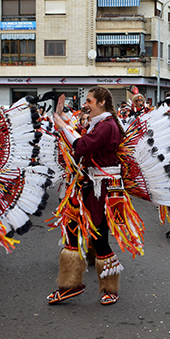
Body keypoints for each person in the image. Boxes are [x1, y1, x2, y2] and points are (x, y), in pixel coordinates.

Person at [48, 87, 128, 306]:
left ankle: (110, 288)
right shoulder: (99, 124)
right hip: (86, 185)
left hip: (102, 188)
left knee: (99, 238)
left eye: (90, 100)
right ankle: (69, 285)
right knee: (72, 231)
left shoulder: (107, 125)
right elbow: (79, 143)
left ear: (101, 103)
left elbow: (82, 146)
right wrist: (62, 118)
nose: (86, 104)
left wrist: (63, 126)